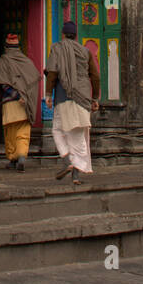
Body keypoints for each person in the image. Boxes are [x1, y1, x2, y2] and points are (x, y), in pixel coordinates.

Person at [44, 20, 100, 185]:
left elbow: (52, 72)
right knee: (78, 135)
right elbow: (95, 76)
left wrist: (48, 94)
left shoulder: (57, 49)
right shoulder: (85, 52)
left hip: (63, 96)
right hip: (83, 98)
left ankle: (68, 161)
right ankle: (75, 172)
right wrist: (95, 98)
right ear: (76, 36)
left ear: (63, 34)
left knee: (57, 130)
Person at [0, 32, 42, 172]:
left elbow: (2, 84)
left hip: (10, 104)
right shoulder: (27, 62)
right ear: (19, 47)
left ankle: (13, 158)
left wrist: (16, 95)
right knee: (23, 133)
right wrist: (25, 97)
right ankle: (22, 157)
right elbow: (34, 80)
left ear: (6, 47)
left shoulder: (3, 61)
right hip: (25, 104)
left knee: (10, 133)